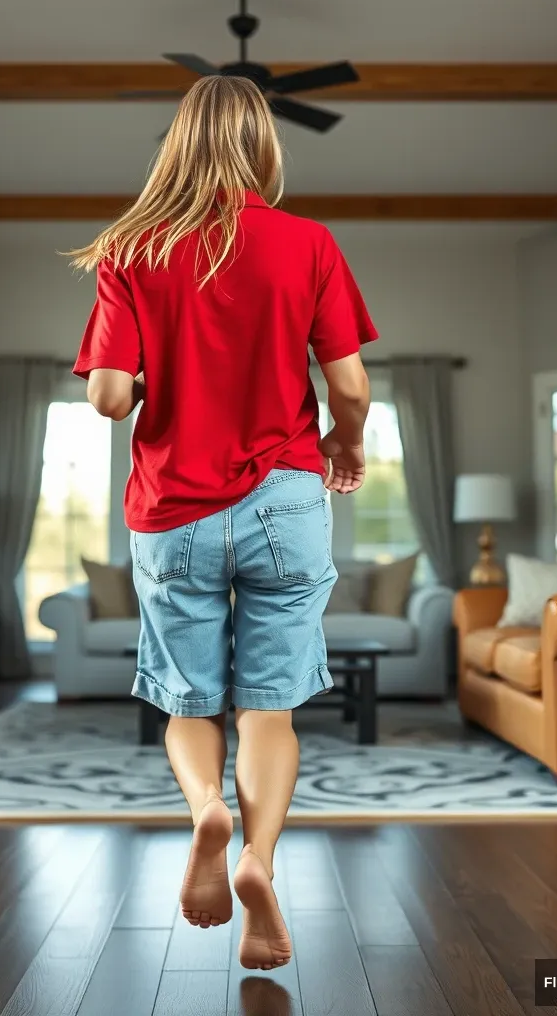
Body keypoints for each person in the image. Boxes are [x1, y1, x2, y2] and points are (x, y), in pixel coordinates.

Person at [69, 75, 376, 971]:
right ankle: (258, 859)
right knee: (269, 710)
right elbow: (350, 385)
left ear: (177, 143)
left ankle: (207, 807)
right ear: (262, 144)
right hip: (285, 497)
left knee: (188, 699)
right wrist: (341, 448)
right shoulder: (307, 242)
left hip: (174, 509)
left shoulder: (131, 248)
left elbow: (109, 399)